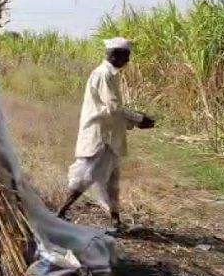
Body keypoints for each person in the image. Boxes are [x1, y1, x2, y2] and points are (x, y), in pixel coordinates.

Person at [56, 37, 156, 231]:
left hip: (108, 136)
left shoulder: (109, 74)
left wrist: (134, 120)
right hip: (100, 136)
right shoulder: (103, 75)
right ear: (114, 55)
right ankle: (60, 212)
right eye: (126, 55)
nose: (128, 60)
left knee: (111, 179)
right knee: (85, 176)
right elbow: (114, 108)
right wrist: (138, 119)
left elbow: (112, 110)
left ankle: (115, 221)